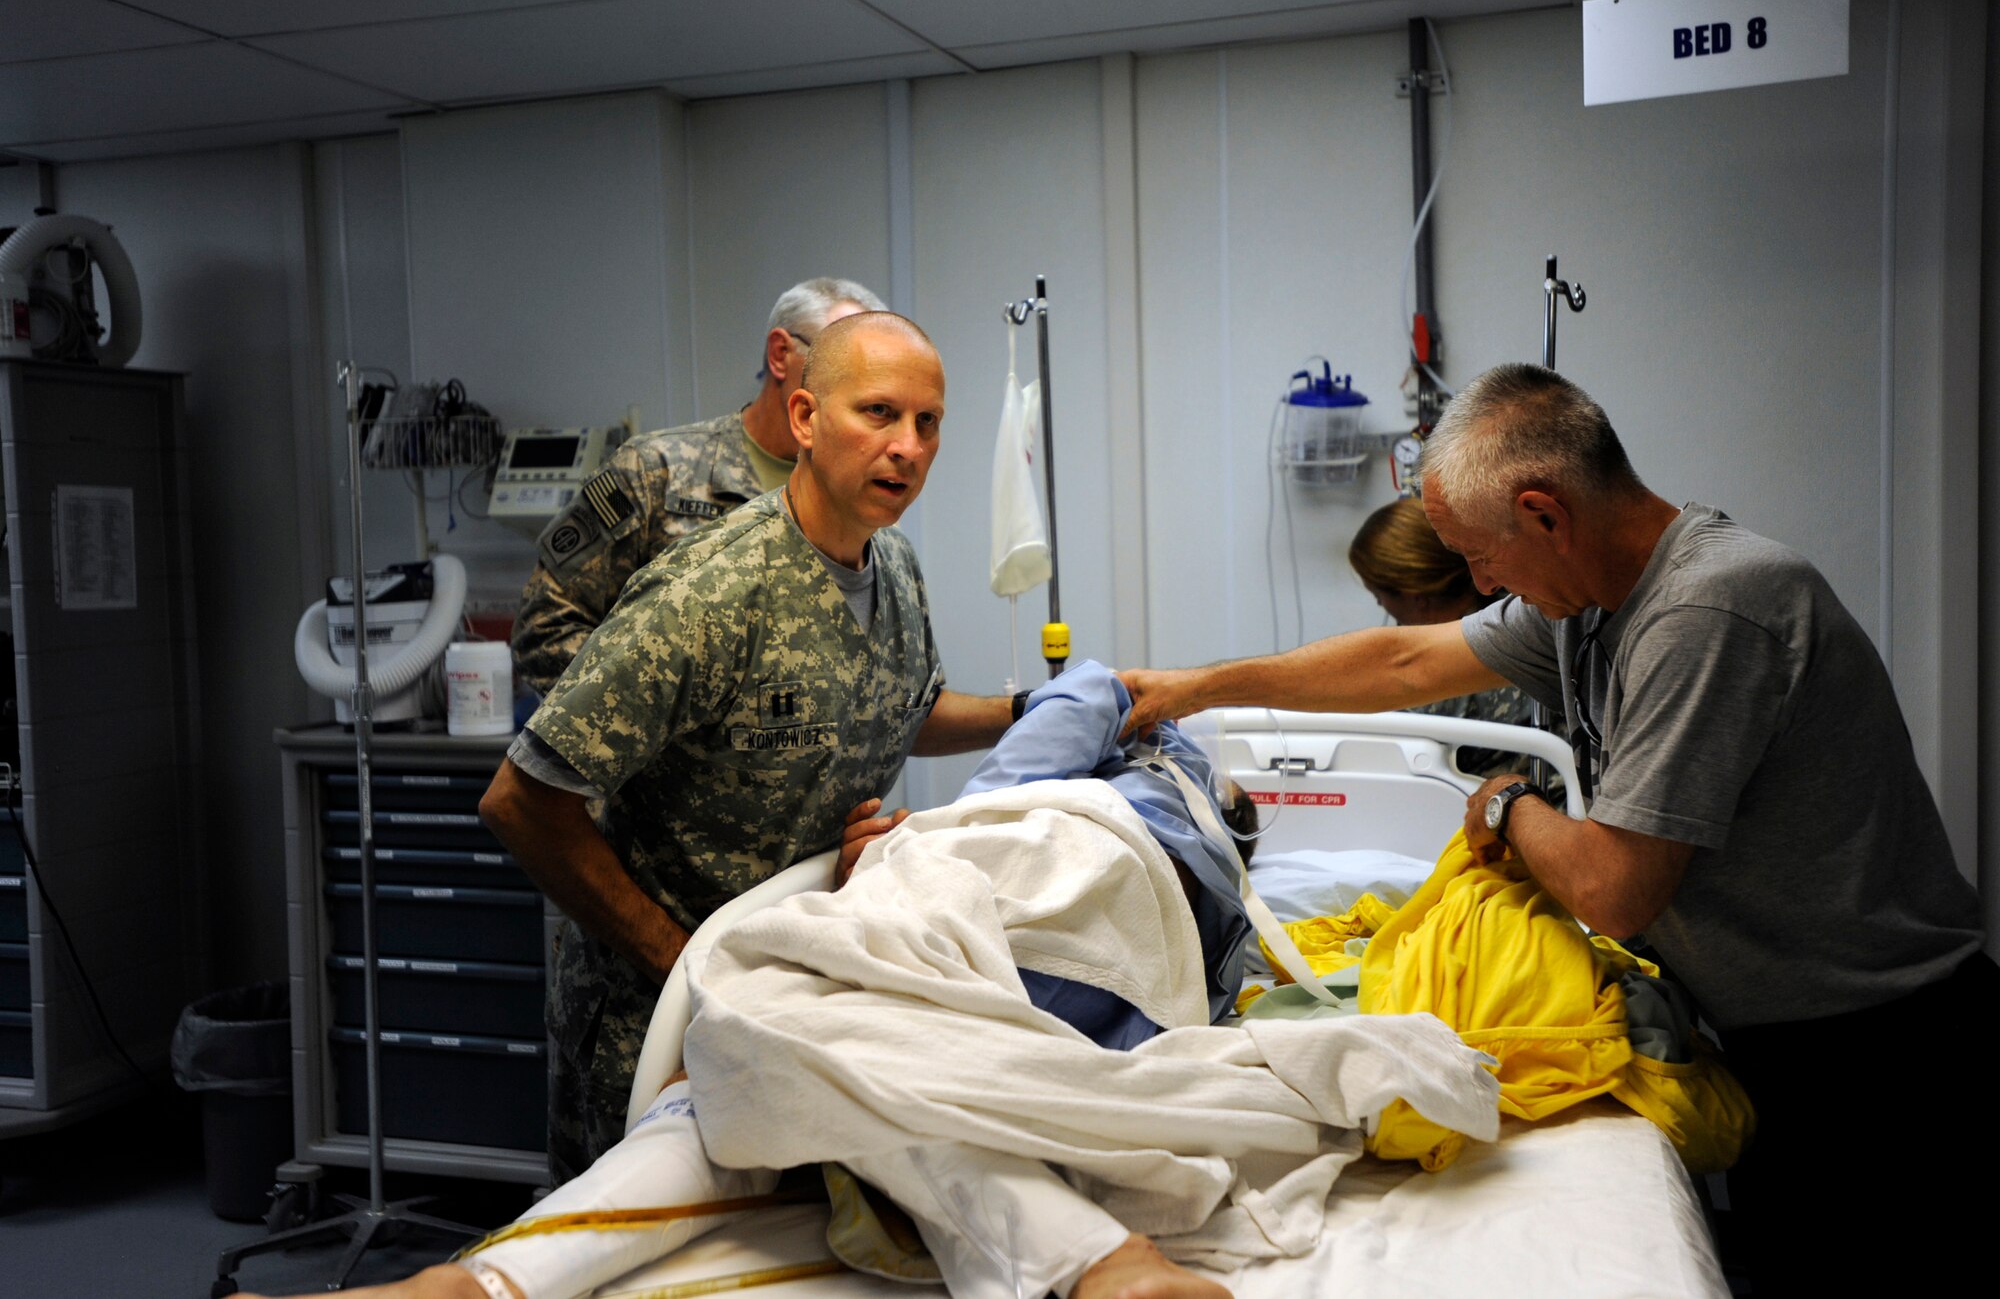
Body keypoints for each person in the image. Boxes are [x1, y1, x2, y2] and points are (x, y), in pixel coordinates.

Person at [1122, 361, 1991, 1293]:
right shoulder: (1591, 609)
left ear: (1544, 514)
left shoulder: (1709, 609)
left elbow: (1613, 889)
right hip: (1792, 1031)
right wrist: (1194, 688)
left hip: (1885, 1055)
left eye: (1479, 558)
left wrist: (1508, 804)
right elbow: (1406, 660)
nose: (1478, 581)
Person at [247, 667, 1484, 1299]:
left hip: (1059, 921)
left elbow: (1094, 694)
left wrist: (1118, 705)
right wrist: (891, 854)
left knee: (778, 1049)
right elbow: (1097, 694)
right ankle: (1094, 1261)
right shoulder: (1112, 802)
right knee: (842, 1043)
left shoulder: (1134, 813)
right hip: (1013, 906)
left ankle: (485, 1279)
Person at [481, 312, 1014, 1182]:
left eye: (929, 423)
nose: (908, 447)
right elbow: (521, 801)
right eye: (878, 413)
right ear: (804, 418)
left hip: (791, 1000)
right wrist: (685, 965)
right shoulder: (711, 591)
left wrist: (1041, 709)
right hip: (655, 1025)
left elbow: (898, 710)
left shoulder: (898, 571)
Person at [511, 277, 885, 694]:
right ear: (781, 354)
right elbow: (543, 627)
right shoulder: (657, 473)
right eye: (844, 368)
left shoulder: (867, 494)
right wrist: (657, 714)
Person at [1347, 495, 1538, 779]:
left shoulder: (1436, 677)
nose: (1380, 606)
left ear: (1417, 597)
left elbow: (1372, 758)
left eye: (1379, 595)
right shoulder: (1520, 612)